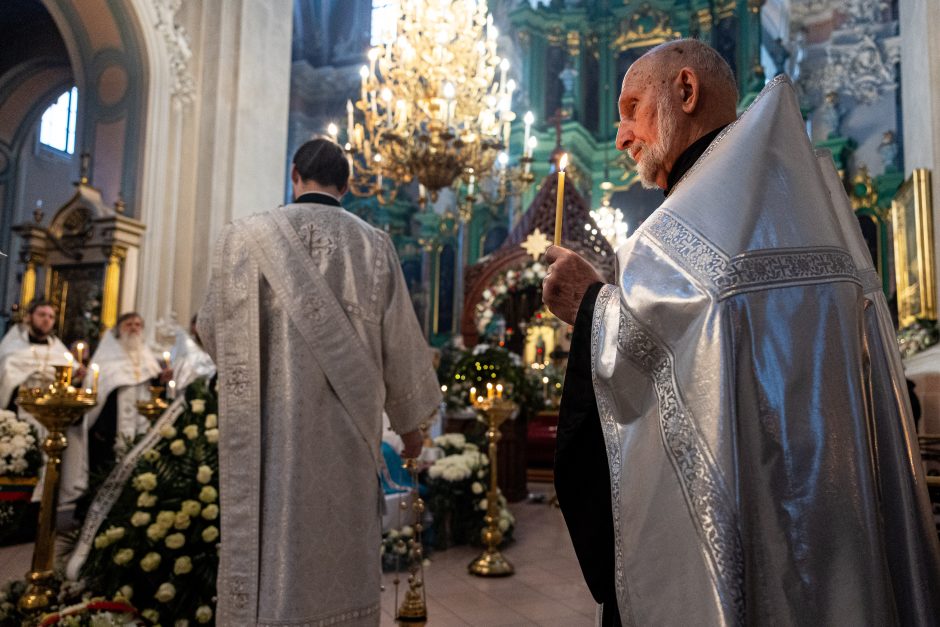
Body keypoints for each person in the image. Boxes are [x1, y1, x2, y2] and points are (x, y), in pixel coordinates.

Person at [542, 39, 940, 626]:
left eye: (632, 108)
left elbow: (669, 351)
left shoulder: (689, 231)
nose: (623, 134)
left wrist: (591, 306)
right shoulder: (803, 209)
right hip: (838, 541)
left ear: (685, 91)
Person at [197, 137, 441, 626]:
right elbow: (402, 348)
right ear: (347, 185)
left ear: (294, 175)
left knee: (270, 553)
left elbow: (210, 329)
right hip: (344, 440)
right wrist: (413, 432)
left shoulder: (245, 239)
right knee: (339, 556)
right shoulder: (372, 245)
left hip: (267, 436)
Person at [61, 312, 170, 504]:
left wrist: (161, 381)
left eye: (138, 324)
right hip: (109, 430)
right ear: (119, 329)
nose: (134, 328)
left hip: (140, 427)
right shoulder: (106, 359)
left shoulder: (148, 359)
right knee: (105, 472)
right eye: (129, 324)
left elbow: (155, 393)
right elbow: (96, 393)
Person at [0, 299, 72, 411]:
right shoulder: (13, 348)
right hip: (20, 410)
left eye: (51, 317)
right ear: (29, 317)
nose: (46, 319)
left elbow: (70, 380)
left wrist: (78, 376)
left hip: (51, 413)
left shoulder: (60, 351)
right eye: (42, 315)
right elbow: (5, 379)